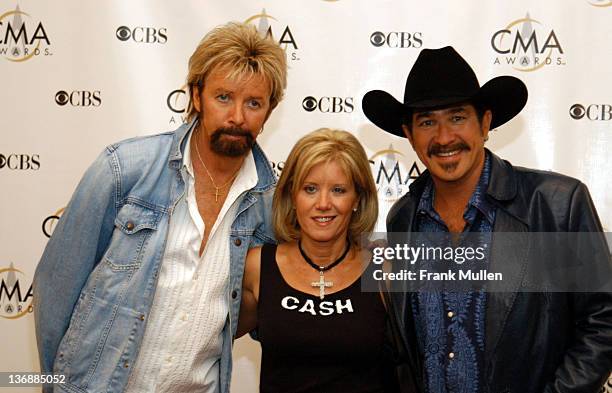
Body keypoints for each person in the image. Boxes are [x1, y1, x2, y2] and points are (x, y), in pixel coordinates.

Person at [33, 22, 287, 393]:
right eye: (223, 97)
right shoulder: (124, 170)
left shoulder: (270, 206)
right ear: (196, 96)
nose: (237, 116)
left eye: (253, 103)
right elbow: (56, 288)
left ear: (269, 111)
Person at [362, 46, 612, 392]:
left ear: (485, 123)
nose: (444, 137)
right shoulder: (403, 218)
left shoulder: (556, 204)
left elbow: (604, 321)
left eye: (457, 117)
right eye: (427, 122)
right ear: (409, 135)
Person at [237, 128, 398, 392]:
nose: (323, 204)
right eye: (310, 189)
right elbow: (207, 344)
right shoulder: (257, 267)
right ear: (292, 195)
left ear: (357, 197)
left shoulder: (385, 269)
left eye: (338, 190)